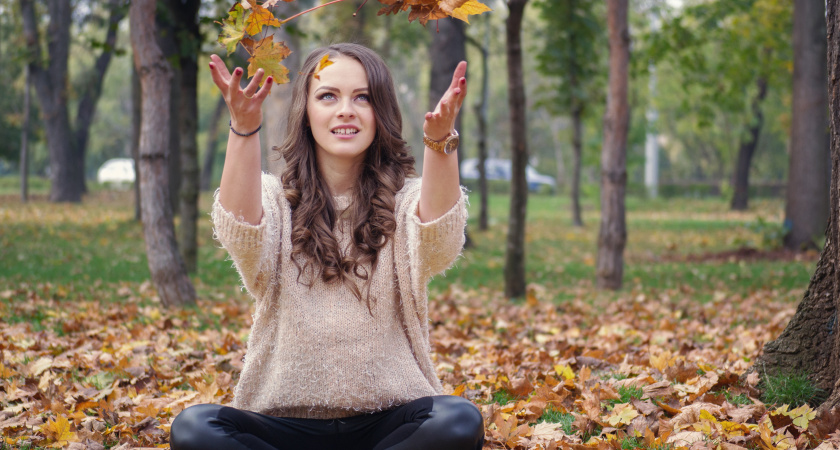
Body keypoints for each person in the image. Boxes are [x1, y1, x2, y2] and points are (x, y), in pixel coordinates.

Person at [168, 43, 483, 450]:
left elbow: (439, 240)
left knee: (457, 419)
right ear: (307, 112)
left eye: (363, 97)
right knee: (194, 428)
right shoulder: (276, 200)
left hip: (389, 426)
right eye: (328, 96)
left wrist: (439, 142)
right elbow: (241, 230)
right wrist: (244, 127)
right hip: (282, 426)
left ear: (380, 111)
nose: (346, 110)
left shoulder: (406, 201)